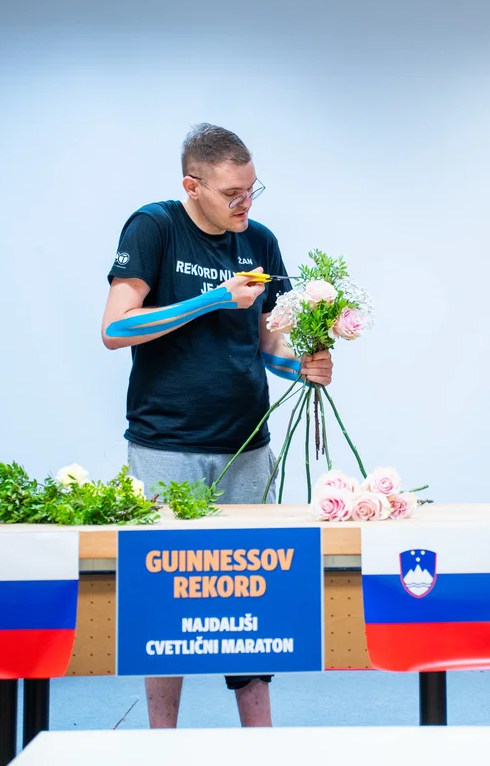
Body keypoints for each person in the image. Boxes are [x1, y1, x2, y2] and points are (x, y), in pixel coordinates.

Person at [100, 123, 332, 727]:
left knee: (251, 601)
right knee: (165, 606)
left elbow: (267, 345)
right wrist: (209, 299)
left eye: (252, 189)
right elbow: (115, 329)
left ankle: (260, 738)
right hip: (166, 446)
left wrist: (305, 365)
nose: (245, 203)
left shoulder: (260, 240)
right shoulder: (153, 226)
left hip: (246, 446)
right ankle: (161, 741)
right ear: (192, 186)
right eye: (232, 192)